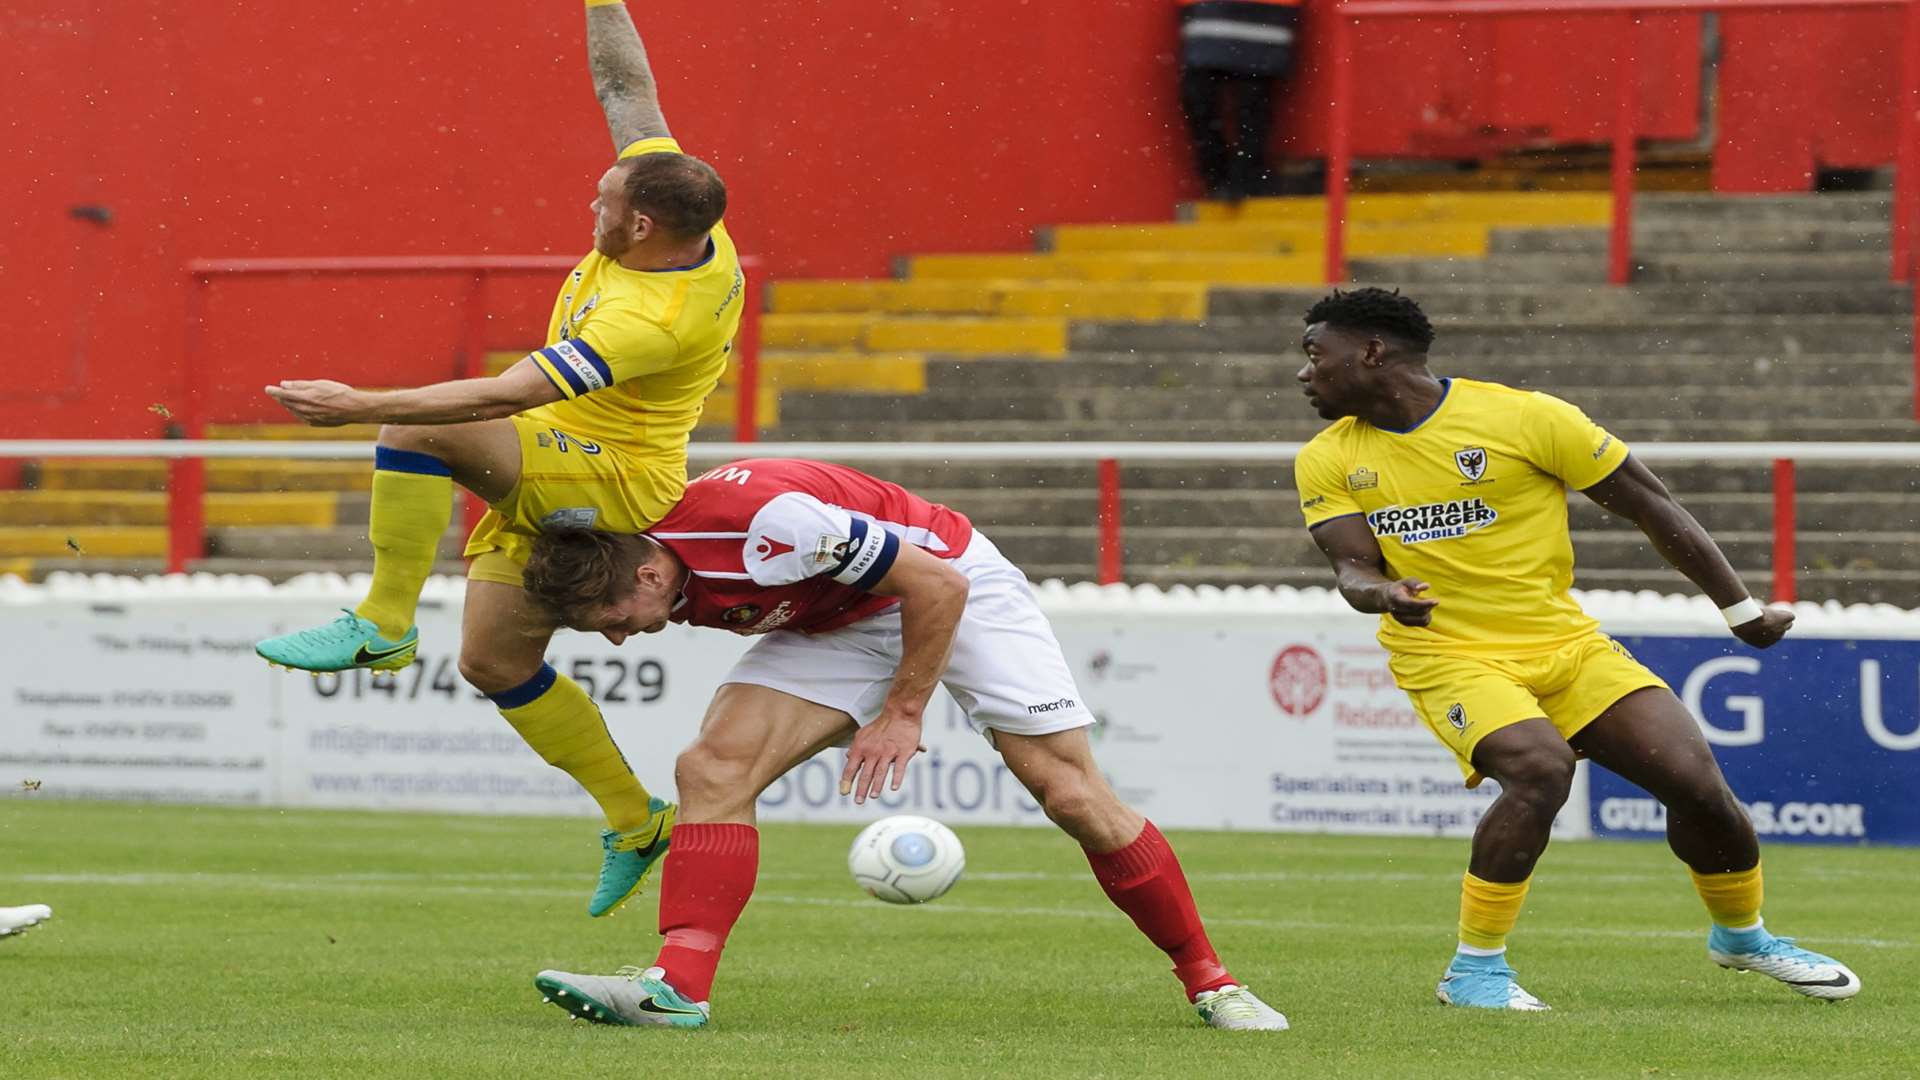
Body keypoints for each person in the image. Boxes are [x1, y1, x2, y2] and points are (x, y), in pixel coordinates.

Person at [255, 0, 745, 918]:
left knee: (419, 428)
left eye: (601, 205)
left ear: (642, 227)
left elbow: (509, 395)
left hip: (616, 473)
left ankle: (383, 621)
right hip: (561, 458)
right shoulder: (671, 203)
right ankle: (638, 820)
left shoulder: (653, 316)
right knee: (489, 661)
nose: (588, 207)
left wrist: (360, 406)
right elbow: (625, 85)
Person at [515, 458, 1290, 1032]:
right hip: (841, 619)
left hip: (949, 581)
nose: (617, 638)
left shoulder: (770, 526)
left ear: (649, 570)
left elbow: (936, 588)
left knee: (1073, 795)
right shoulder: (653, 563)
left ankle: (1211, 980)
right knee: (711, 767)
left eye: (613, 617)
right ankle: (673, 988)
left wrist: (903, 713)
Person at [1290, 287, 1860, 1010]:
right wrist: (1384, 596)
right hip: (1449, 653)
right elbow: (1351, 567)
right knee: (1538, 767)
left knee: (1699, 788)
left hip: (1566, 644)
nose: (1305, 374)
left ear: (1372, 352)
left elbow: (1650, 503)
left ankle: (1742, 938)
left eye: (1316, 355)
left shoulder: (1526, 417)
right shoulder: (1327, 458)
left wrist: (1739, 609)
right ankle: (1474, 971)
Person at [1176, 0, 1301, 202]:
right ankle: (1233, 178)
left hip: (1256, 16)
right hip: (1229, 16)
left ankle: (1238, 178)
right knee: (1205, 96)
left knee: (1251, 102)